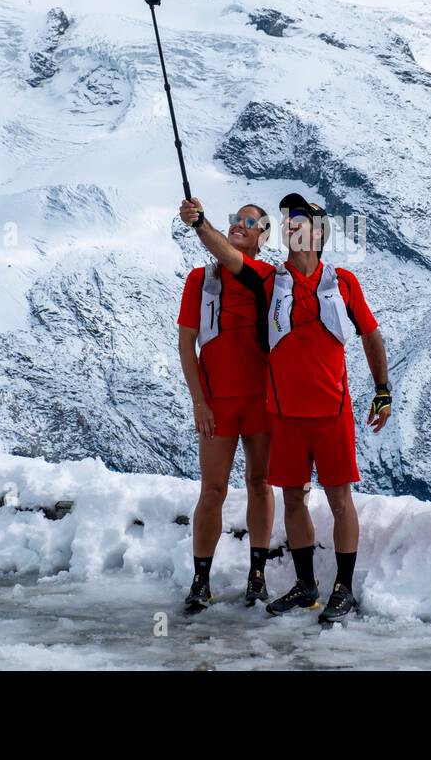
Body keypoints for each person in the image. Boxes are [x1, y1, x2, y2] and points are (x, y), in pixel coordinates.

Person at [179, 192, 392, 623]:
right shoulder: (269, 280)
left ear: (318, 232)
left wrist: (383, 389)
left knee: (338, 499)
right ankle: (306, 585)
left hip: (331, 411)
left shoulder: (344, 282)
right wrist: (200, 224)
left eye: (302, 221)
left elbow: (370, 335)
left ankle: (343, 589)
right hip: (284, 414)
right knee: (291, 498)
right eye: (288, 221)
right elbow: (227, 256)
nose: (293, 226)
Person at [177, 203, 275, 614]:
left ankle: (258, 574)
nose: (240, 224)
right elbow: (186, 343)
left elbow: (230, 258)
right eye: (236, 218)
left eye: (250, 222)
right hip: (217, 403)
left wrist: (200, 224)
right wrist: (199, 401)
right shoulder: (200, 280)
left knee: (259, 483)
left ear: (262, 237)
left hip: (260, 402)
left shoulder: (268, 278)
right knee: (212, 490)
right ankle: (201, 580)